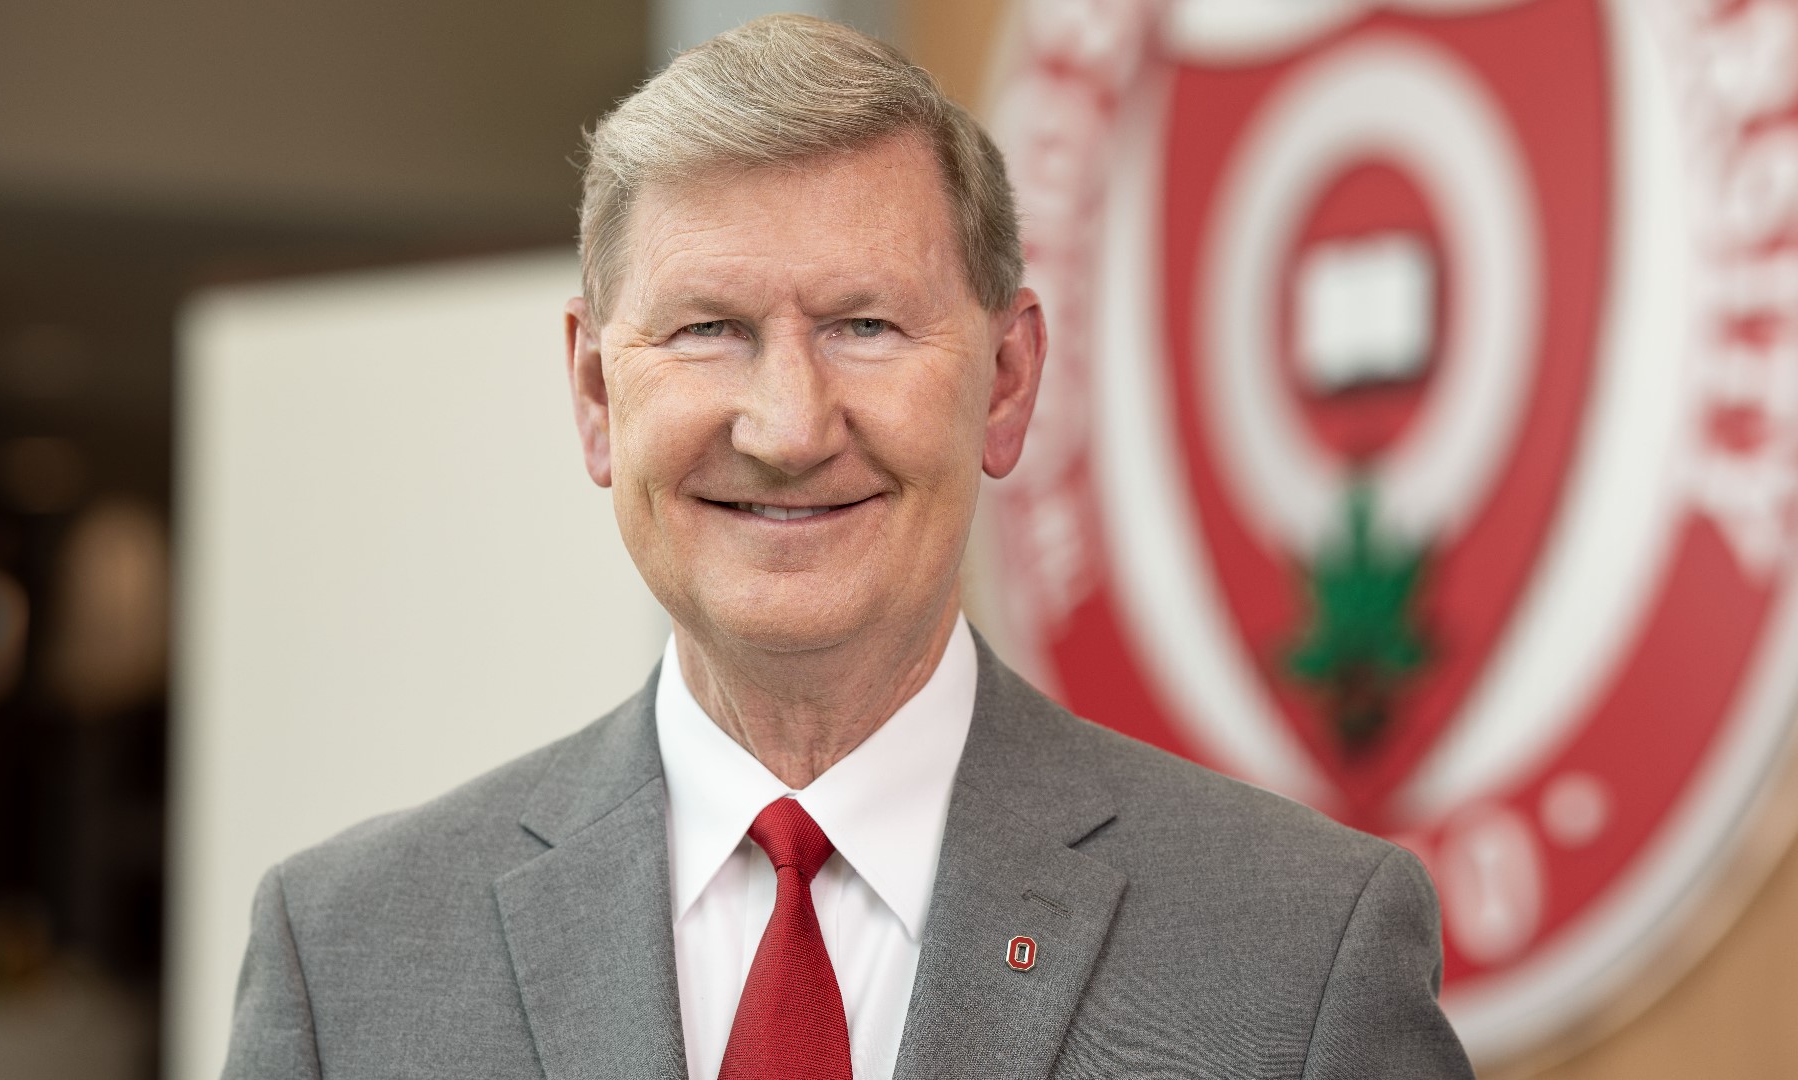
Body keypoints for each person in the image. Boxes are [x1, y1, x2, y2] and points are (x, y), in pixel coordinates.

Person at [222, 14, 1474, 1080]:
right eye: (708, 329)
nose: (787, 429)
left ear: (1006, 381)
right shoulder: (347, 961)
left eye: (865, 325)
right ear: (596, 397)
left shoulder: (1302, 950)